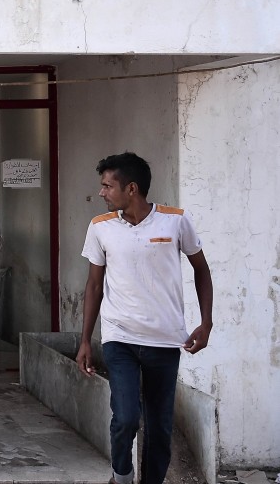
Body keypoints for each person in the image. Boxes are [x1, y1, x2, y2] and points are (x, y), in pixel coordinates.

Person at [75, 152, 213, 484]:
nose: (103, 193)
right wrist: (84, 341)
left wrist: (206, 323)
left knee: (159, 428)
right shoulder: (100, 227)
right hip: (119, 338)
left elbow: (202, 271)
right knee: (125, 418)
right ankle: (122, 474)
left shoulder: (176, 220)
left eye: (108, 186)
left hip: (165, 340)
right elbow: (94, 285)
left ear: (131, 188)